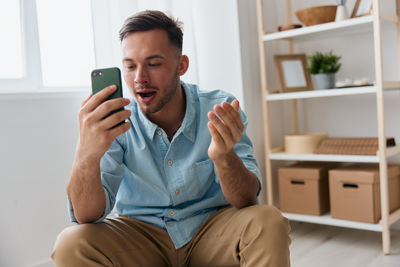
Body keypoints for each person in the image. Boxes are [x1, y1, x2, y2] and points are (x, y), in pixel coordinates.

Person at [51, 10, 291, 267]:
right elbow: (86, 216)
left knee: (268, 220)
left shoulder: (221, 108)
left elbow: (247, 200)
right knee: (71, 242)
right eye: (130, 66)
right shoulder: (115, 122)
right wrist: (85, 155)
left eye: (153, 64)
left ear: (181, 66)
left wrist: (224, 157)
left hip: (212, 232)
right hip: (141, 237)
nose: (139, 78)